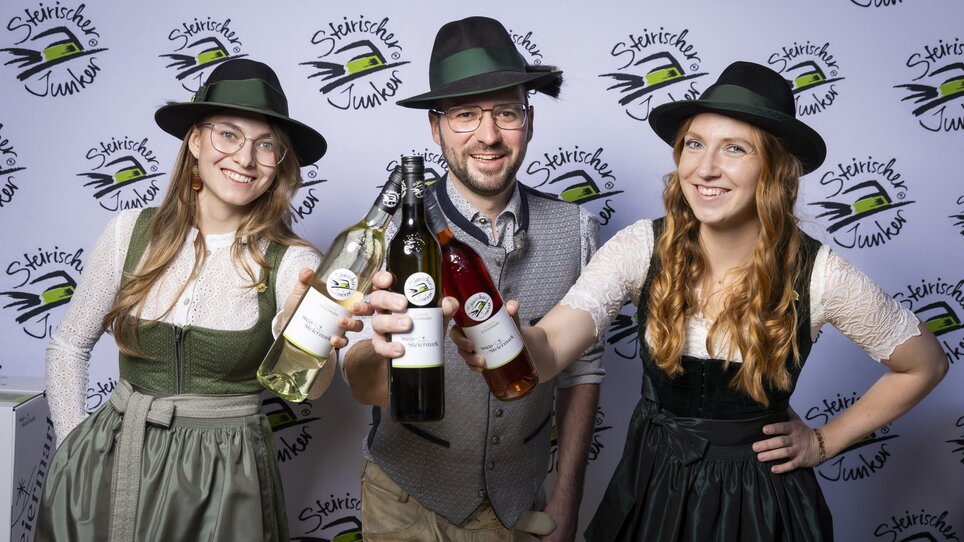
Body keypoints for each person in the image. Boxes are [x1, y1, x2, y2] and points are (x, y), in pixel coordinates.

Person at [454, 61, 949, 541]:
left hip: (762, 505)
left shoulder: (820, 275)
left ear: (774, 170)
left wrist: (824, 441)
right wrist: (513, 343)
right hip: (652, 489)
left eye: (734, 148)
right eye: (694, 144)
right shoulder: (639, 247)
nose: (705, 168)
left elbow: (924, 365)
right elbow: (553, 346)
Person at [37, 58, 340, 541]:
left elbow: (309, 388)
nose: (245, 158)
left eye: (267, 145)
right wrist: (74, 448)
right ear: (195, 140)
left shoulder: (295, 261)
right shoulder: (127, 233)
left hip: (225, 478)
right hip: (112, 463)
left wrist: (296, 326)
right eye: (228, 135)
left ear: (280, 164)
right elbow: (68, 346)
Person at [342, 16, 605, 542]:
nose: (488, 135)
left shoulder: (575, 228)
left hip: (523, 504)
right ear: (435, 128)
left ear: (528, 121)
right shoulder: (391, 234)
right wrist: (380, 348)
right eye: (465, 115)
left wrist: (567, 493)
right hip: (405, 500)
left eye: (506, 112)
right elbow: (359, 379)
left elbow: (582, 372)